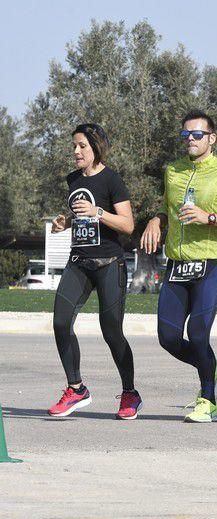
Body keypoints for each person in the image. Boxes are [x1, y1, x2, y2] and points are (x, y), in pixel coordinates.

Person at [140, 110, 217, 423]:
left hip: (210, 261)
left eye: (198, 135)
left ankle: (209, 401)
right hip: (177, 263)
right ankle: (212, 366)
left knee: (199, 333)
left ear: (212, 138)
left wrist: (212, 218)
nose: (191, 139)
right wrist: (155, 219)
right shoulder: (173, 170)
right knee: (168, 338)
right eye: (186, 135)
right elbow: (167, 207)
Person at [48, 123, 140, 419]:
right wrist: (67, 224)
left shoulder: (112, 180)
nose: (76, 151)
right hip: (79, 262)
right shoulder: (73, 179)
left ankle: (129, 393)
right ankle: (76, 389)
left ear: (96, 147)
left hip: (110, 264)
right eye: (73, 146)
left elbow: (127, 225)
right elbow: (82, 219)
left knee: (111, 331)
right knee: (61, 323)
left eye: (82, 146)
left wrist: (98, 212)